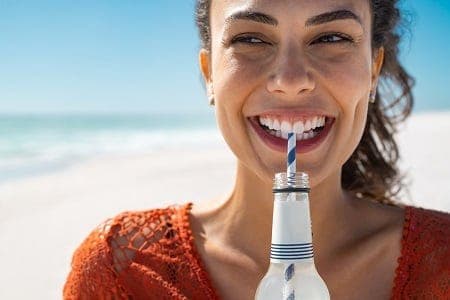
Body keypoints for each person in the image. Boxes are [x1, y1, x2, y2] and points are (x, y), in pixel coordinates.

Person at [63, 0, 450, 299]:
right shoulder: (122, 270)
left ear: (372, 70)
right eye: (250, 39)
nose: (290, 80)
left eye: (331, 38)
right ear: (210, 74)